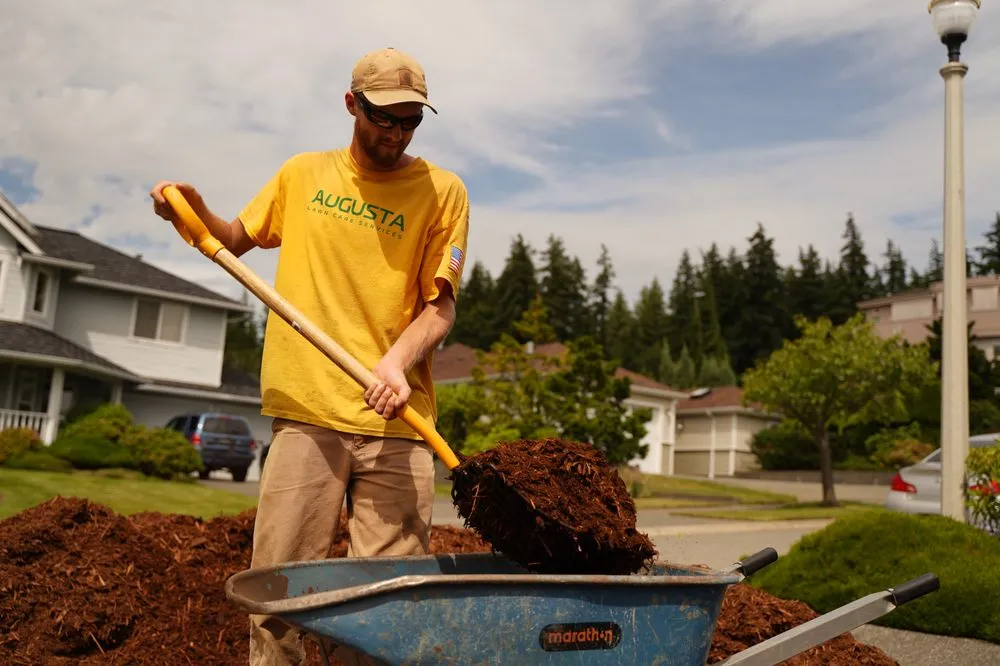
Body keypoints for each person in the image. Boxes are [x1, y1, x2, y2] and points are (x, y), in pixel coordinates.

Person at [150, 47, 469, 665]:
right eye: (383, 118)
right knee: (279, 598)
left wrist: (395, 365)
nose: (396, 134)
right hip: (307, 414)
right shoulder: (303, 175)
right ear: (351, 104)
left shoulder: (442, 192)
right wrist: (189, 212)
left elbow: (440, 307)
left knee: (388, 605)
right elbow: (233, 239)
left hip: (397, 423)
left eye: (410, 122)